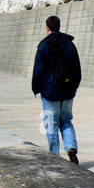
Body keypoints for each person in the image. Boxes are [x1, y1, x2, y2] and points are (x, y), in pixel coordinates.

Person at [31, 15, 81, 163]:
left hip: (50, 92)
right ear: (59, 26)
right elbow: (77, 69)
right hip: (67, 91)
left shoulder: (44, 46)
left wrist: (37, 88)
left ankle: (54, 158)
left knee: (51, 125)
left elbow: (38, 70)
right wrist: (74, 87)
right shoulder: (70, 45)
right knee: (66, 121)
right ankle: (71, 148)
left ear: (47, 28)